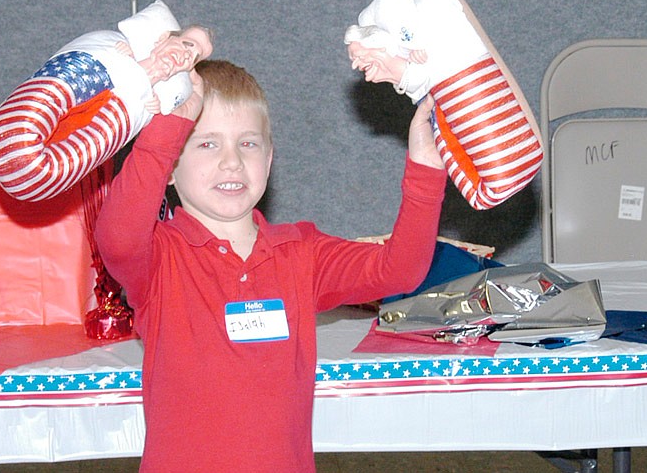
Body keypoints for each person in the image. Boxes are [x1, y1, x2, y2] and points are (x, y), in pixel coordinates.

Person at [94, 59, 447, 472]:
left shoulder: (301, 252)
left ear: (269, 158)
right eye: (207, 143)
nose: (232, 162)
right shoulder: (160, 258)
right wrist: (167, 128)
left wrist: (427, 166)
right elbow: (116, 236)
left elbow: (399, 270)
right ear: (170, 166)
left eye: (248, 143)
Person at [344, 0, 543, 210]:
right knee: (487, 190)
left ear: (379, 44)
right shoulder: (403, 67)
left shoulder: (414, 35)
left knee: (490, 187)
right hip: (446, 98)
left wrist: (411, 40)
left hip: (459, 87)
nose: (356, 64)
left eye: (358, 55)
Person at [0, 8, 213, 202]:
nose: (186, 54)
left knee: (75, 148)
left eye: (194, 56)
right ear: (164, 38)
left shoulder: (153, 97)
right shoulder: (122, 50)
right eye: (187, 43)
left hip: (108, 109)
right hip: (95, 83)